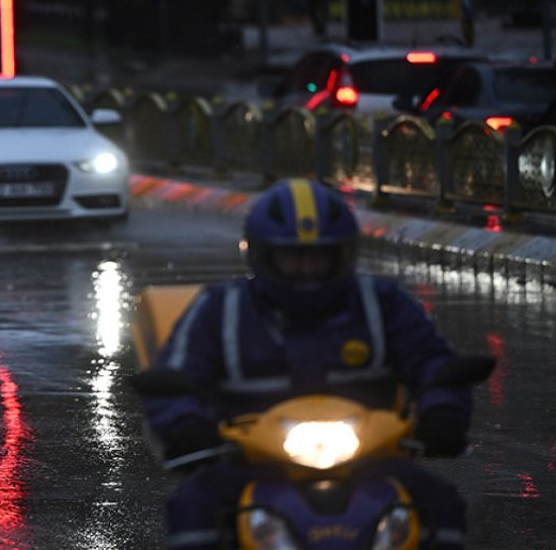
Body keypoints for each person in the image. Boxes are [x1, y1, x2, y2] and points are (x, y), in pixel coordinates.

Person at [142, 178, 473, 550]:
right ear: (263, 255)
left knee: (440, 503)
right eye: (293, 257)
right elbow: (177, 375)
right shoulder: (221, 309)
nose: (307, 268)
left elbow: (432, 362)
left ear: (343, 255)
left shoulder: (382, 302)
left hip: (371, 462)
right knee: (194, 507)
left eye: (319, 256)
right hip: (249, 463)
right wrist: (185, 425)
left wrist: (443, 412)